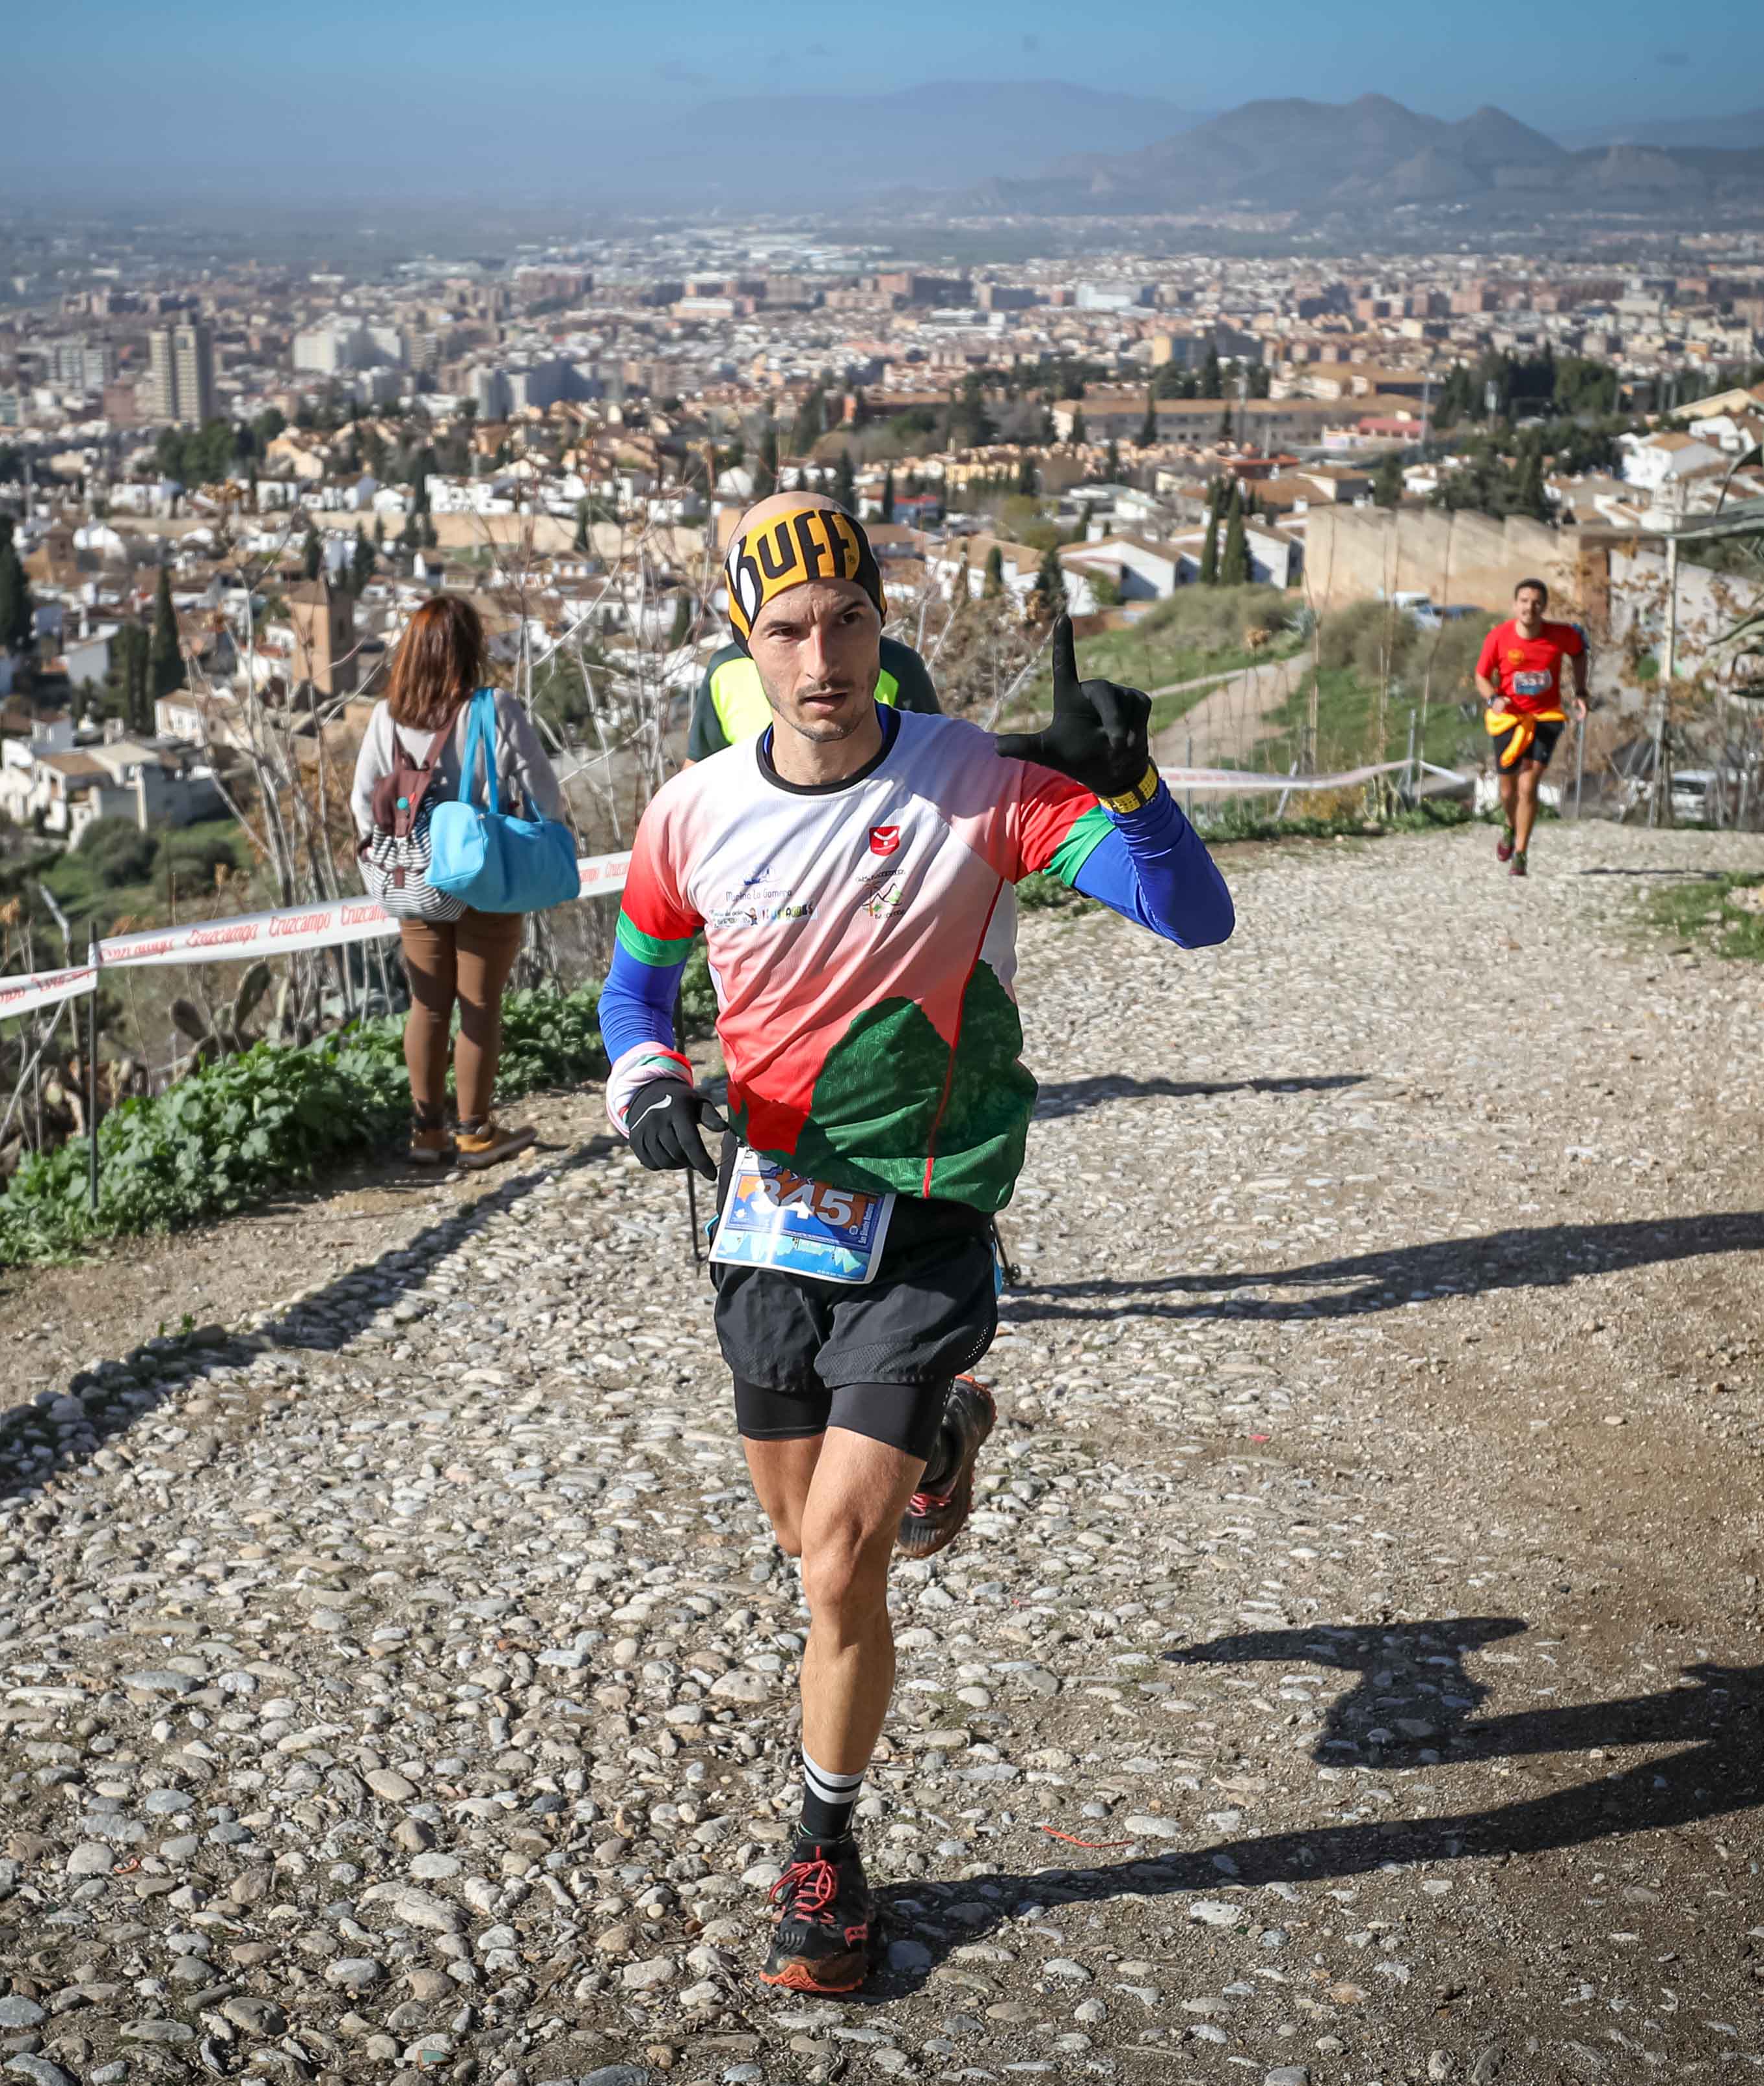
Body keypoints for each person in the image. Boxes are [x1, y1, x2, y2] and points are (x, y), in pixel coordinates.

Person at [597, 490, 1234, 1992]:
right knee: (796, 1540)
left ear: (884, 627)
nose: (818, 656)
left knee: (832, 1571)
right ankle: (941, 1439)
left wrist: (1134, 785)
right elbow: (633, 987)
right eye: (784, 631)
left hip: (929, 1216)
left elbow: (1191, 918)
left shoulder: (976, 784)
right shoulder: (688, 810)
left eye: (844, 622)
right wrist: (641, 1082)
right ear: (742, 647)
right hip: (767, 1218)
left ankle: (824, 1851)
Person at [349, 593, 565, 1168]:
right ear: (469, 649)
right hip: (484, 877)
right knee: (479, 1005)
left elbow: (361, 800)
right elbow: (544, 792)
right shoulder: (494, 710)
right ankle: (474, 1129)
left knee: (427, 1005)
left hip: (414, 879)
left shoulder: (384, 717)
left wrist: (401, 847)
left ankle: (427, 1132)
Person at [686, 508, 939, 764]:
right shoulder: (725, 673)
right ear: (746, 638)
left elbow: (937, 765)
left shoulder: (899, 668)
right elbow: (697, 783)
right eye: (785, 632)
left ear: (879, 616)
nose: (821, 667)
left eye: (847, 620)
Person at [1472, 577, 1588, 876]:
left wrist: (1581, 691)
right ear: (1515, 605)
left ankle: (1521, 853)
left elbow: (1578, 652)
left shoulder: (1560, 635)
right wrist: (1492, 699)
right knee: (1508, 791)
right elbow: (1482, 676)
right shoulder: (1498, 637)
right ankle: (1510, 828)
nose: (1530, 607)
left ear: (1544, 606)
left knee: (1529, 783)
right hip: (1509, 716)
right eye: (1524, 601)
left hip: (1546, 717)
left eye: (1536, 602)